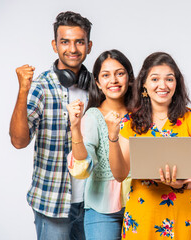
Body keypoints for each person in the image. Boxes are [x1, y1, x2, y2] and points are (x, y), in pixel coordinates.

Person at [105, 52, 191, 239]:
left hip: (180, 217)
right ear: (144, 84)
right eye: (155, 79)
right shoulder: (130, 123)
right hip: (142, 217)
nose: (162, 85)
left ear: (176, 83)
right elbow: (120, 175)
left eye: (169, 79)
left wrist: (181, 184)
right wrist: (113, 138)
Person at [9, 11, 93, 240]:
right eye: (65, 42)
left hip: (93, 203)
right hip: (53, 202)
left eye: (79, 42)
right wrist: (23, 91)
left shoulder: (98, 87)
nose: (73, 49)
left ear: (89, 45)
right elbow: (18, 141)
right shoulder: (41, 87)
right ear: (55, 46)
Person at [66, 49, 134, 240]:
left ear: (129, 77)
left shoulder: (141, 115)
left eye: (120, 73)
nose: (113, 80)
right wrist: (75, 126)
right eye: (106, 75)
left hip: (140, 202)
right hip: (101, 208)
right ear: (97, 82)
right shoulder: (93, 117)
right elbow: (82, 167)